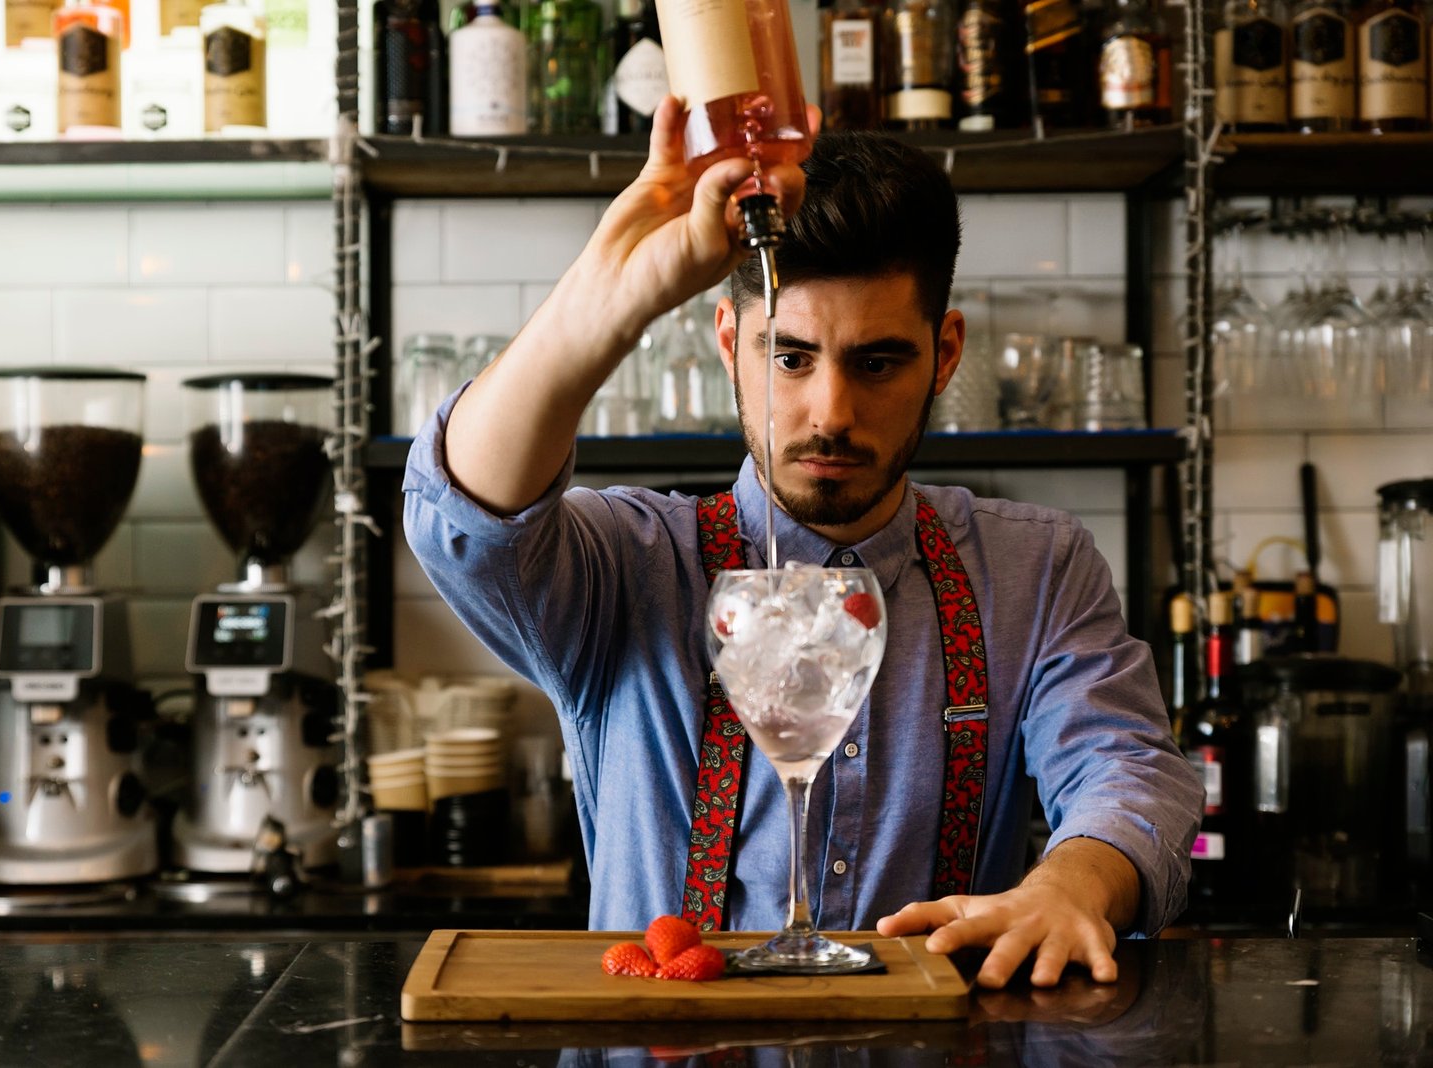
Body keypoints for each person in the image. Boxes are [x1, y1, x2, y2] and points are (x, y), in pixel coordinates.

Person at [402, 96, 1203, 990]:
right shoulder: (627, 565)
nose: (831, 413)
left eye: (878, 362)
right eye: (790, 357)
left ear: (944, 356)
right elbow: (462, 517)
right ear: (728, 343)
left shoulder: (1036, 568)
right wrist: (610, 299)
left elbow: (1129, 769)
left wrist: (1072, 883)